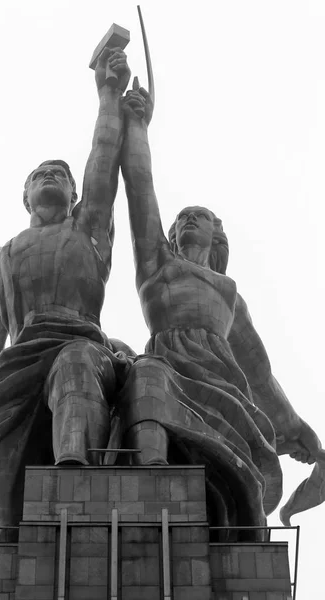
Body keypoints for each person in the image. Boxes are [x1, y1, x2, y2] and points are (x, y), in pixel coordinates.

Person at [0, 48, 131, 539]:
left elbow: (103, 158)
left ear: (76, 196)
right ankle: (2, 531)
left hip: (81, 342)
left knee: (77, 363)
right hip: (19, 359)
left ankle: (73, 473)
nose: (51, 178)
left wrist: (107, 94)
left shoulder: (87, 231)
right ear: (25, 195)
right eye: (41, 174)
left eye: (60, 175)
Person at [119, 84, 324, 531]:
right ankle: (152, 476)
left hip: (225, 388)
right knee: (147, 376)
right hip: (167, 374)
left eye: (201, 215)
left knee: (232, 486)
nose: (189, 218)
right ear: (170, 234)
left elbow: (259, 372)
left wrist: (294, 424)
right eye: (182, 216)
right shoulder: (155, 265)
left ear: (216, 237)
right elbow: (140, 187)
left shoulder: (230, 293)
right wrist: (137, 125)